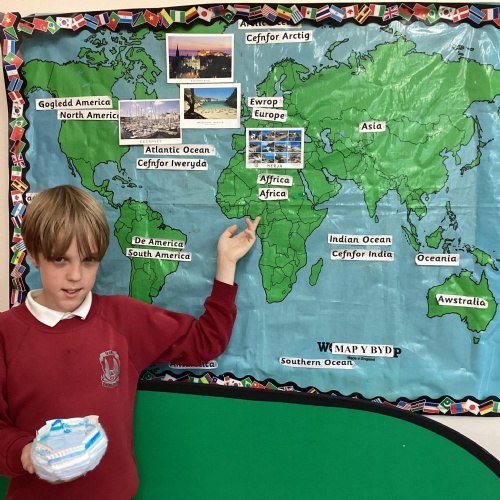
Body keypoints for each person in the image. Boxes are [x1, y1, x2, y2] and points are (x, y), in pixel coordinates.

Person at [0, 185, 260, 499]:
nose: (75, 275)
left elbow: (206, 341)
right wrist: (26, 453)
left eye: (88, 260)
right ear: (33, 254)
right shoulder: (6, 333)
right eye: (59, 260)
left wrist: (226, 265)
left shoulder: (123, 319)